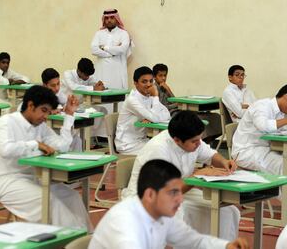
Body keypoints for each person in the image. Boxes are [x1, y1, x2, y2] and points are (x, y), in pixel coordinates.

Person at [0, 85, 91, 230]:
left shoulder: (40, 126)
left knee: (72, 197)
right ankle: (72, 242)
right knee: (49, 201)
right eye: (43, 110)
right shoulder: (6, 122)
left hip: (31, 178)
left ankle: (87, 239)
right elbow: (5, 149)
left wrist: (69, 115)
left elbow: (63, 146)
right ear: (30, 105)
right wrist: (36, 144)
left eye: (48, 112)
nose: (46, 116)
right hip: (2, 180)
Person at [123, 111, 240, 241]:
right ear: (177, 140)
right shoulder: (158, 150)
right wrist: (197, 176)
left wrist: (224, 162)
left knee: (228, 211)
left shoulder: (192, 140)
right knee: (178, 214)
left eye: (199, 139)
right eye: (195, 141)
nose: (199, 144)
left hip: (180, 189)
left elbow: (210, 155)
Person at [89, 159, 248, 249]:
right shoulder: (126, 226)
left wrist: (226, 246)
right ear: (150, 194)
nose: (180, 199)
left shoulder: (157, 212)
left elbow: (194, 241)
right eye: (173, 193)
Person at [232, 84, 287, 174]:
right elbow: (263, 125)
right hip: (248, 151)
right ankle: (283, 188)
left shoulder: (283, 112)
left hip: (268, 148)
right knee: (283, 165)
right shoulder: (262, 105)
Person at [115, 66, 170, 155]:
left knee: (167, 147)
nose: (149, 85)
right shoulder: (132, 100)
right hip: (128, 145)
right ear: (136, 83)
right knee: (161, 152)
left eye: (151, 81)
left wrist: (151, 117)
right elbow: (155, 119)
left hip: (142, 141)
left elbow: (166, 114)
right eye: (144, 81)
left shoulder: (148, 96)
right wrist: (155, 95)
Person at [62, 58, 107, 138]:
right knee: (85, 115)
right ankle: (83, 139)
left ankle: (91, 138)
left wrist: (100, 85)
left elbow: (95, 85)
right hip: (66, 106)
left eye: (89, 75)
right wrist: (93, 88)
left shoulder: (88, 77)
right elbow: (74, 88)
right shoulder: (68, 74)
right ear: (79, 71)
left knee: (102, 110)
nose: (88, 77)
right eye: (86, 75)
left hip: (80, 106)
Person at [41, 68, 81, 151]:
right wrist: (50, 112)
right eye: (53, 85)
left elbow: (65, 102)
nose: (56, 88)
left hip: (54, 130)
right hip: (44, 131)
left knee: (77, 140)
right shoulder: (38, 96)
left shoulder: (58, 93)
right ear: (44, 85)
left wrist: (70, 103)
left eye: (58, 84)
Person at [91, 9, 132, 90]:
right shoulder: (99, 34)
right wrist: (112, 53)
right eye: (106, 18)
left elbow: (122, 49)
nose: (109, 20)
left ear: (116, 19)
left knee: (117, 97)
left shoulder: (123, 34)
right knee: (101, 98)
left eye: (112, 17)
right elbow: (94, 49)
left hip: (117, 73)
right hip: (101, 73)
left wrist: (104, 48)